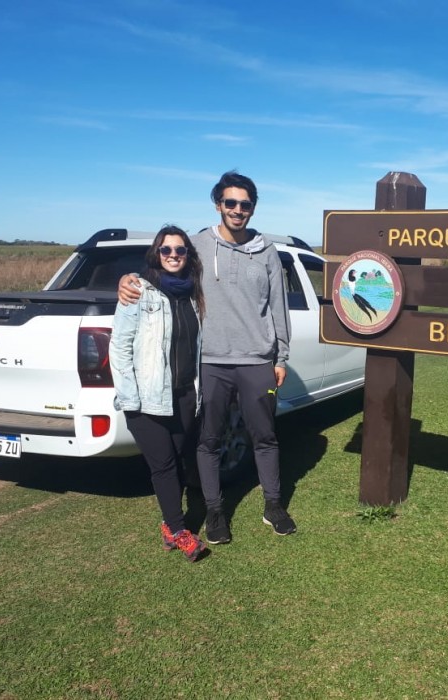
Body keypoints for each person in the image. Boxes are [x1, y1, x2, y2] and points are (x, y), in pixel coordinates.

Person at [118, 171, 296, 544]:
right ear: (218, 204)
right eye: (230, 202)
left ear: (252, 209)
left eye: (245, 204)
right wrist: (127, 279)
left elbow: (279, 306)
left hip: (257, 361)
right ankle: (215, 511)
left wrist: (281, 357)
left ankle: (274, 504)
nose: (237, 210)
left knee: (265, 437)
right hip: (211, 363)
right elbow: (162, 266)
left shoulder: (267, 252)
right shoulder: (196, 244)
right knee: (209, 441)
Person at [110, 225, 207, 562]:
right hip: (145, 399)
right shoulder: (139, 291)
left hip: (182, 395)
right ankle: (179, 531)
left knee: (178, 461)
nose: (173, 256)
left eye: (180, 251)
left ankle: (169, 524)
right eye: (166, 250)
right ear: (157, 254)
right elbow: (119, 347)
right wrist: (129, 398)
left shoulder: (194, 295)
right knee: (163, 466)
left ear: (188, 255)